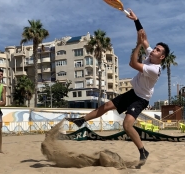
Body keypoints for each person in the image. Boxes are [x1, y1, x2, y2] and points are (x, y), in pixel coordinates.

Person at [66, 9, 170, 163]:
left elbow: (132, 63)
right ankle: (82, 120)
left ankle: (143, 151)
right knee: (108, 105)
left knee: (127, 125)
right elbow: (144, 37)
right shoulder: (150, 55)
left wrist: (137, 45)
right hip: (133, 92)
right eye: (155, 48)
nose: (153, 49)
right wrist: (136, 20)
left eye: (157, 50)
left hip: (141, 99)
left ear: (161, 57)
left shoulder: (154, 70)